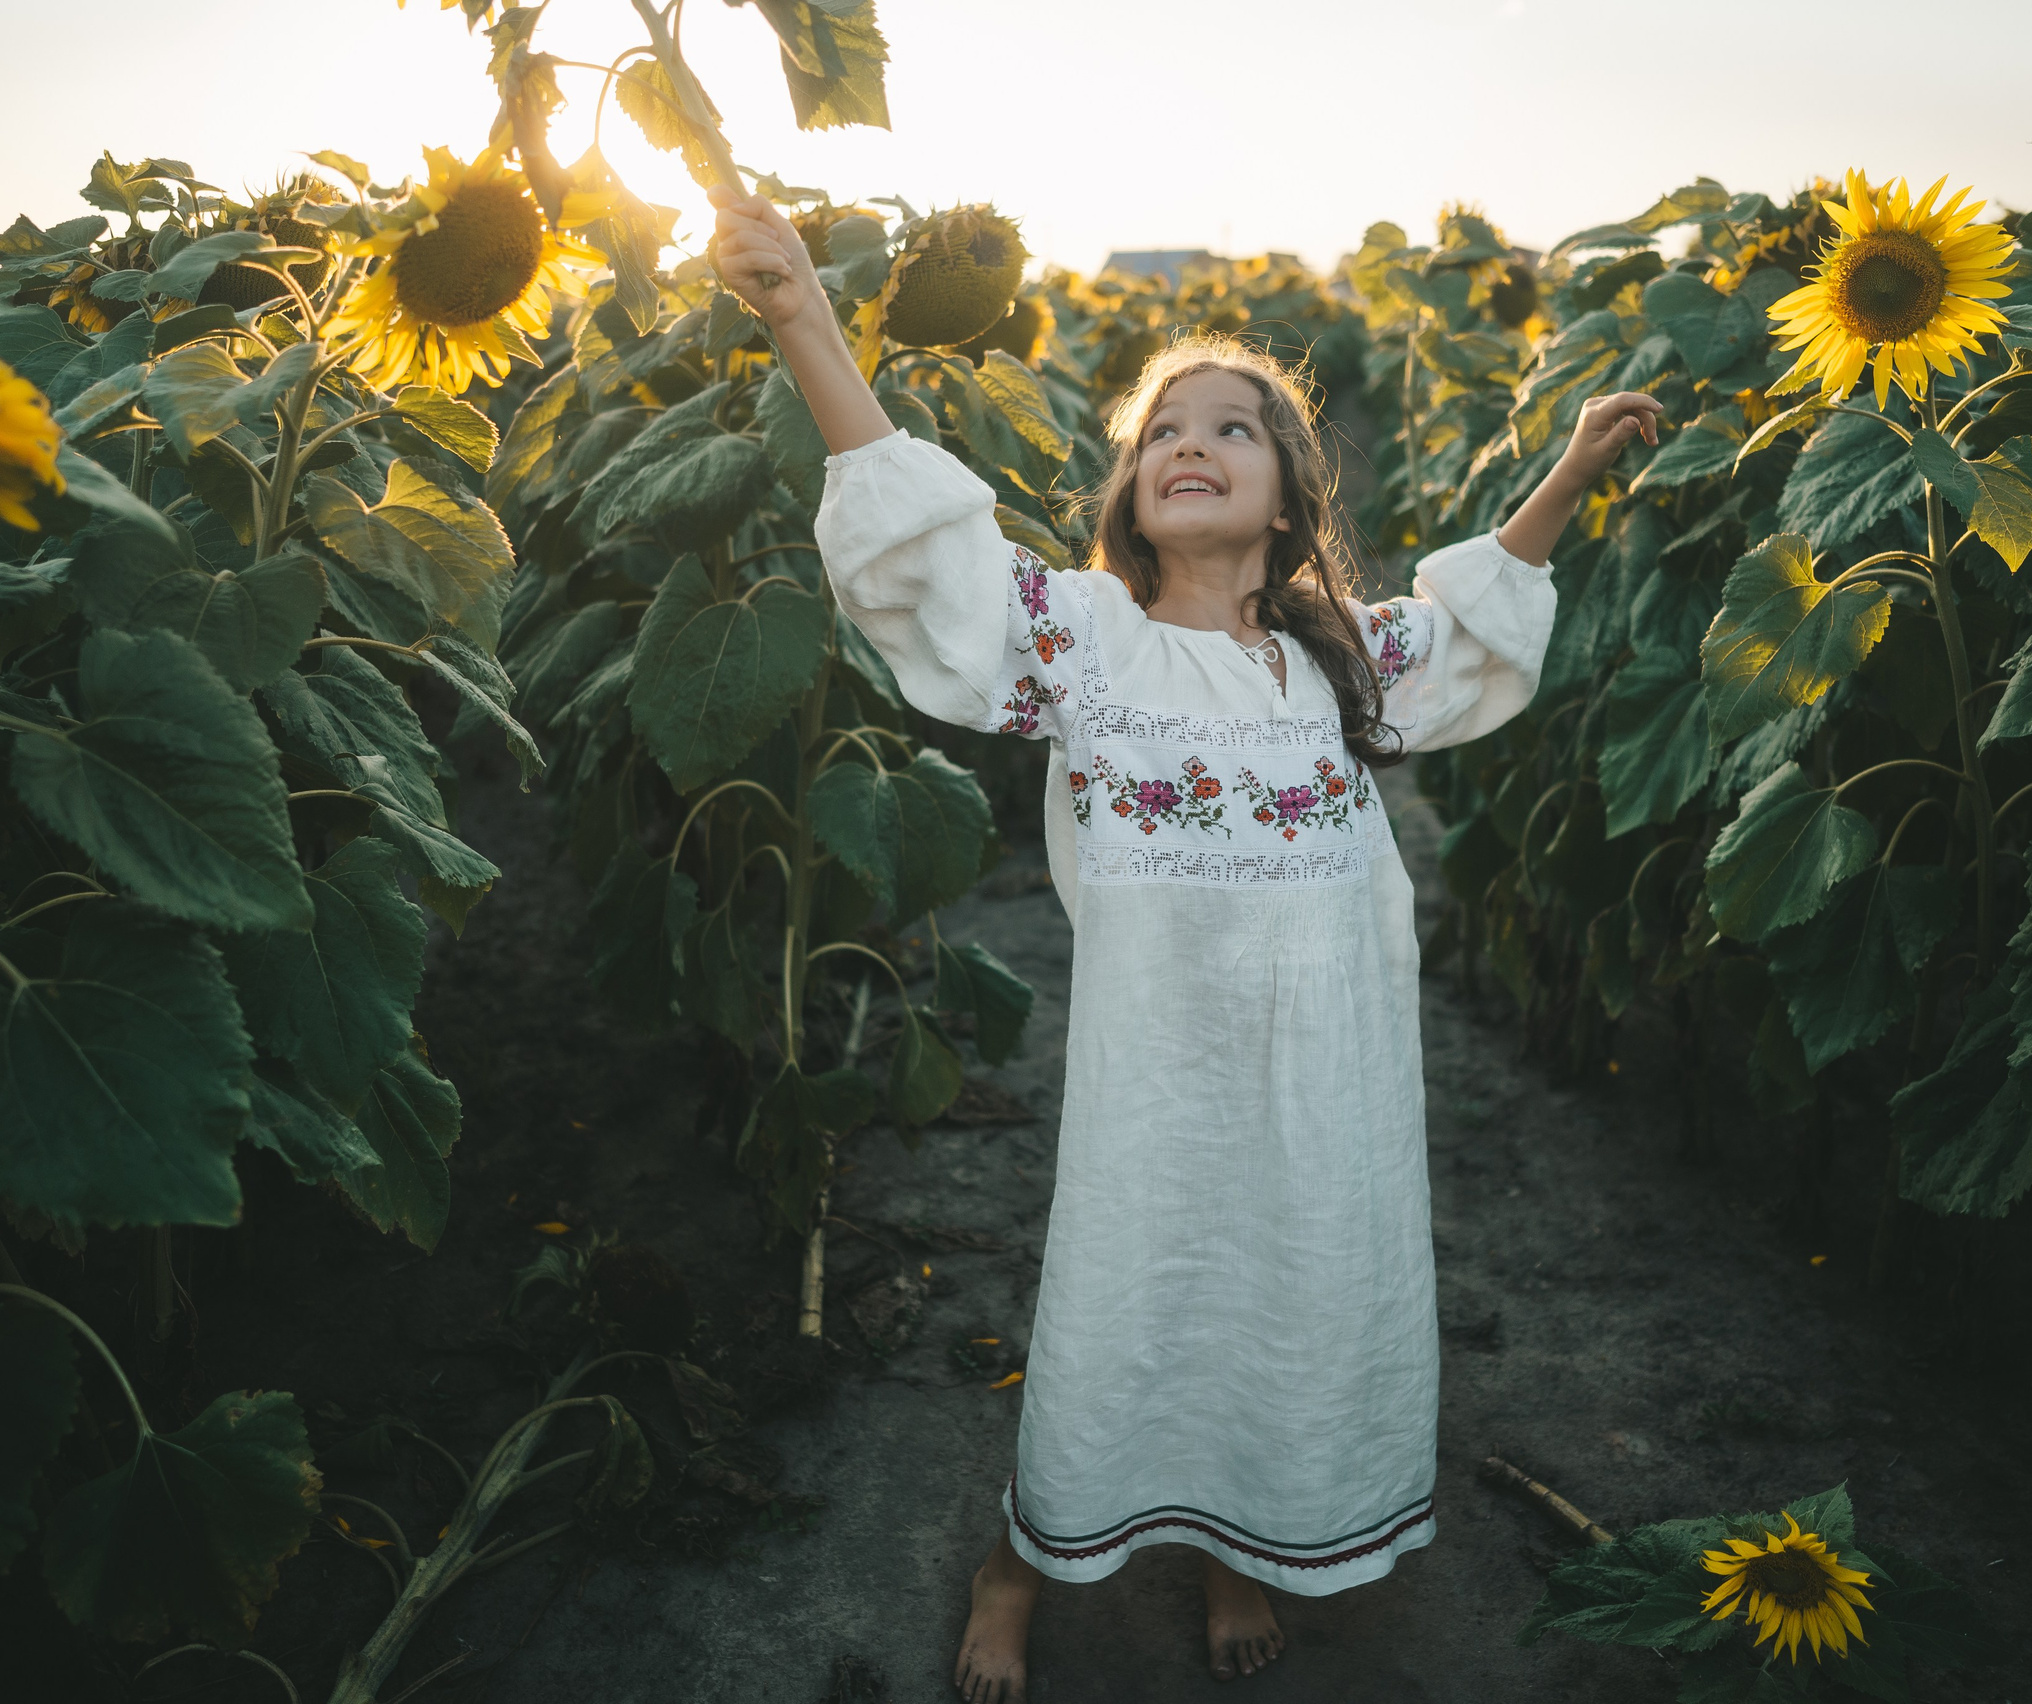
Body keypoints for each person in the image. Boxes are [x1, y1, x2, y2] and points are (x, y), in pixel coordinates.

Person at [711, 185, 1662, 1701]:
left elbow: (1471, 620)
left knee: (1294, 1293)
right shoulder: (1087, 640)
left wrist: (1569, 469)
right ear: (1132, 489)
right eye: (1164, 430)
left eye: (1234, 428)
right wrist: (800, 318)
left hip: (1330, 1079)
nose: (1191, 446)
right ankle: (1018, 1564)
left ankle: (1241, 1549)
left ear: (1286, 495)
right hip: (1164, 1079)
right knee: (1128, 1303)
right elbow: (929, 561)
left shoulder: (1343, 655)